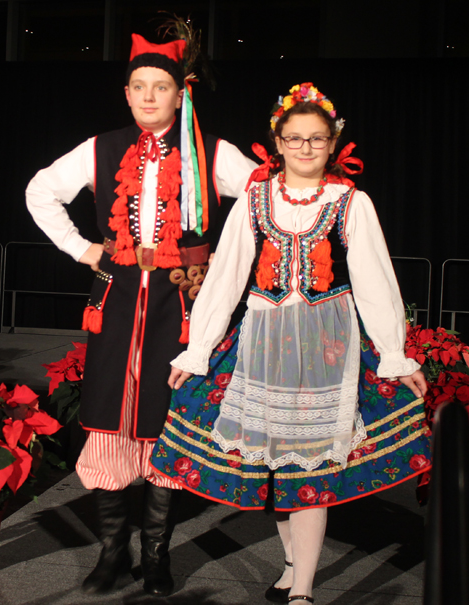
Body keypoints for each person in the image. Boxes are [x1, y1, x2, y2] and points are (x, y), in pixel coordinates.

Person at [149, 82, 432, 604]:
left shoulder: (350, 200)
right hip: (264, 339)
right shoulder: (256, 199)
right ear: (277, 142)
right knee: (276, 464)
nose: (306, 148)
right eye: (296, 138)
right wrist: (199, 348)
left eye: (317, 139)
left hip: (328, 341)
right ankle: (291, 566)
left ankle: (301, 592)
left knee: (309, 466)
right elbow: (226, 276)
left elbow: (374, 279)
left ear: (332, 143)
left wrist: (394, 355)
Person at [26, 27, 257, 597]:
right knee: (107, 415)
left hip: (177, 304)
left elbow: (262, 196)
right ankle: (111, 552)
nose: (149, 96)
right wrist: (83, 249)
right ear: (126, 93)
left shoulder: (211, 152)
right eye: (139, 87)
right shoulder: (101, 148)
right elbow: (40, 190)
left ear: (181, 94)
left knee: (161, 420)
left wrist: (224, 263)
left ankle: (154, 555)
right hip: (117, 298)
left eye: (161, 87)